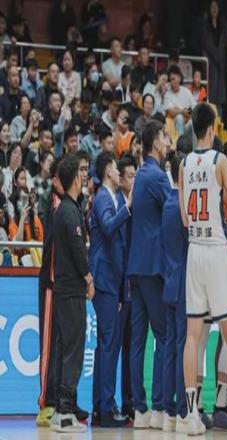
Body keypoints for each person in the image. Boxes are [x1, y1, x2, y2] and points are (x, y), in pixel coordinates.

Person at [178, 103, 227, 435]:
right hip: (218, 249)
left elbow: (184, 219)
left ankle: (192, 414)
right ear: (211, 128)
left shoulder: (184, 164)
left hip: (194, 248)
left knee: (193, 336)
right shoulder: (220, 160)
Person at [126, 119, 171, 428]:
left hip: (136, 267)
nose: (168, 142)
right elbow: (177, 208)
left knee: (138, 341)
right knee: (163, 337)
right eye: (165, 137)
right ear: (155, 141)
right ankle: (158, 406)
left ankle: (139, 409)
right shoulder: (157, 176)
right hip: (154, 267)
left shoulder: (141, 174)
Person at [50, 153, 94, 433]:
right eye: (81, 172)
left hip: (64, 290)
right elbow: (79, 251)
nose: (84, 176)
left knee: (66, 348)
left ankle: (62, 408)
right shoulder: (68, 210)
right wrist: (89, 278)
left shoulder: (66, 208)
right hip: (71, 290)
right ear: (75, 179)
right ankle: (65, 411)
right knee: (72, 351)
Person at [89, 152, 131, 427]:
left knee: (107, 344)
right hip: (104, 279)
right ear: (107, 172)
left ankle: (100, 406)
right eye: (116, 168)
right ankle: (105, 408)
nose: (118, 172)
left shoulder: (111, 197)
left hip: (111, 280)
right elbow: (106, 226)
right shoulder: (105, 198)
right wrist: (127, 208)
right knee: (108, 344)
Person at [160, 152, 190, 433]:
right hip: (182, 285)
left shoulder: (168, 202)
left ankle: (169, 409)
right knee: (182, 347)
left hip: (168, 282)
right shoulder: (182, 206)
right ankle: (182, 409)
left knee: (170, 347)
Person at [35, 156, 63, 426]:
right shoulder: (50, 203)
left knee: (61, 343)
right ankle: (45, 402)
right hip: (50, 283)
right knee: (47, 344)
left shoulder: (68, 203)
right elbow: (51, 247)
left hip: (64, 284)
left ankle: (60, 399)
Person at [116, 154, 136, 420]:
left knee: (131, 347)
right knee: (116, 346)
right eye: (129, 176)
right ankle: (111, 403)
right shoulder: (118, 203)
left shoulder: (136, 204)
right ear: (120, 179)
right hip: (119, 285)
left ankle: (129, 402)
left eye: (135, 176)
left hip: (133, 284)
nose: (133, 180)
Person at [201, 1, 227, 117]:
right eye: (212, 7)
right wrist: (216, 56)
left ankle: (219, 121)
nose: (214, 9)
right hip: (210, 64)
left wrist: (220, 57)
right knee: (210, 95)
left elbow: (225, 43)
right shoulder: (205, 25)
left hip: (220, 65)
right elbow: (207, 43)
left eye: (216, 6)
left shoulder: (223, 25)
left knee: (220, 97)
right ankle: (210, 121)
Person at [165, 65, 197, 137]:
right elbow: (172, 112)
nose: (172, 82)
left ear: (179, 78)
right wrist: (183, 112)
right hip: (174, 128)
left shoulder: (186, 91)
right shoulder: (168, 95)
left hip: (188, 125)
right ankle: (181, 143)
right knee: (179, 118)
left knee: (193, 122)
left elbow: (195, 108)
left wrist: (179, 110)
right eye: (170, 80)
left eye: (173, 79)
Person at [33, 151, 55, 221]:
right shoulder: (33, 181)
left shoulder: (54, 183)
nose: (51, 164)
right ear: (41, 163)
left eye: (53, 162)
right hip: (36, 217)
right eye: (49, 161)